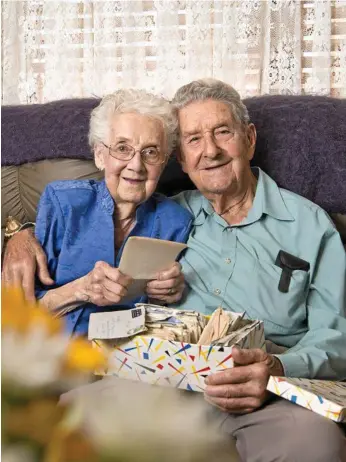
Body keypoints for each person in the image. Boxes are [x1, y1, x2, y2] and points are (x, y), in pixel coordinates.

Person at [3, 79, 346, 461]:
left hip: (266, 384)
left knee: (317, 444)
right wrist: (18, 233)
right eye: (194, 139)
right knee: (57, 426)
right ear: (180, 159)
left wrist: (276, 366)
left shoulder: (311, 225)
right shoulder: (171, 213)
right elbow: (98, 216)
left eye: (222, 132)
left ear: (249, 139)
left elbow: (338, 334)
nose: (211, 151)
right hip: (164, 377)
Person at [4, 89, 193, 337]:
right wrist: (81, 289)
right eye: (123, 148)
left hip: (130, 359)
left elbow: (163, 319)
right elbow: (20, 313)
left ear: (164, 161)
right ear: (100, 156)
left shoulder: (176, 221)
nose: (136, 165)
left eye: (150, 152)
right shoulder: (64, 203)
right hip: (51, 352)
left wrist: (172, 292)